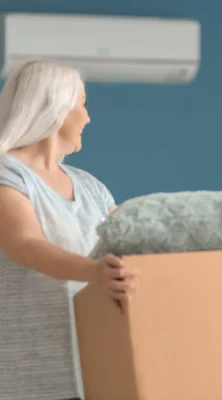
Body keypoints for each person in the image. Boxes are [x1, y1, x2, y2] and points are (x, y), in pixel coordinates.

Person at [0, 60, 139, 400]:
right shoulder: (8, 176)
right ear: (57, 108)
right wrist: (94, 271)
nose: (88, 118)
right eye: (83, 104)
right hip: (29, 379)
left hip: (97, 372)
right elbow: (26, 245)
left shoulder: (91, 187)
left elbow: (132, 243)